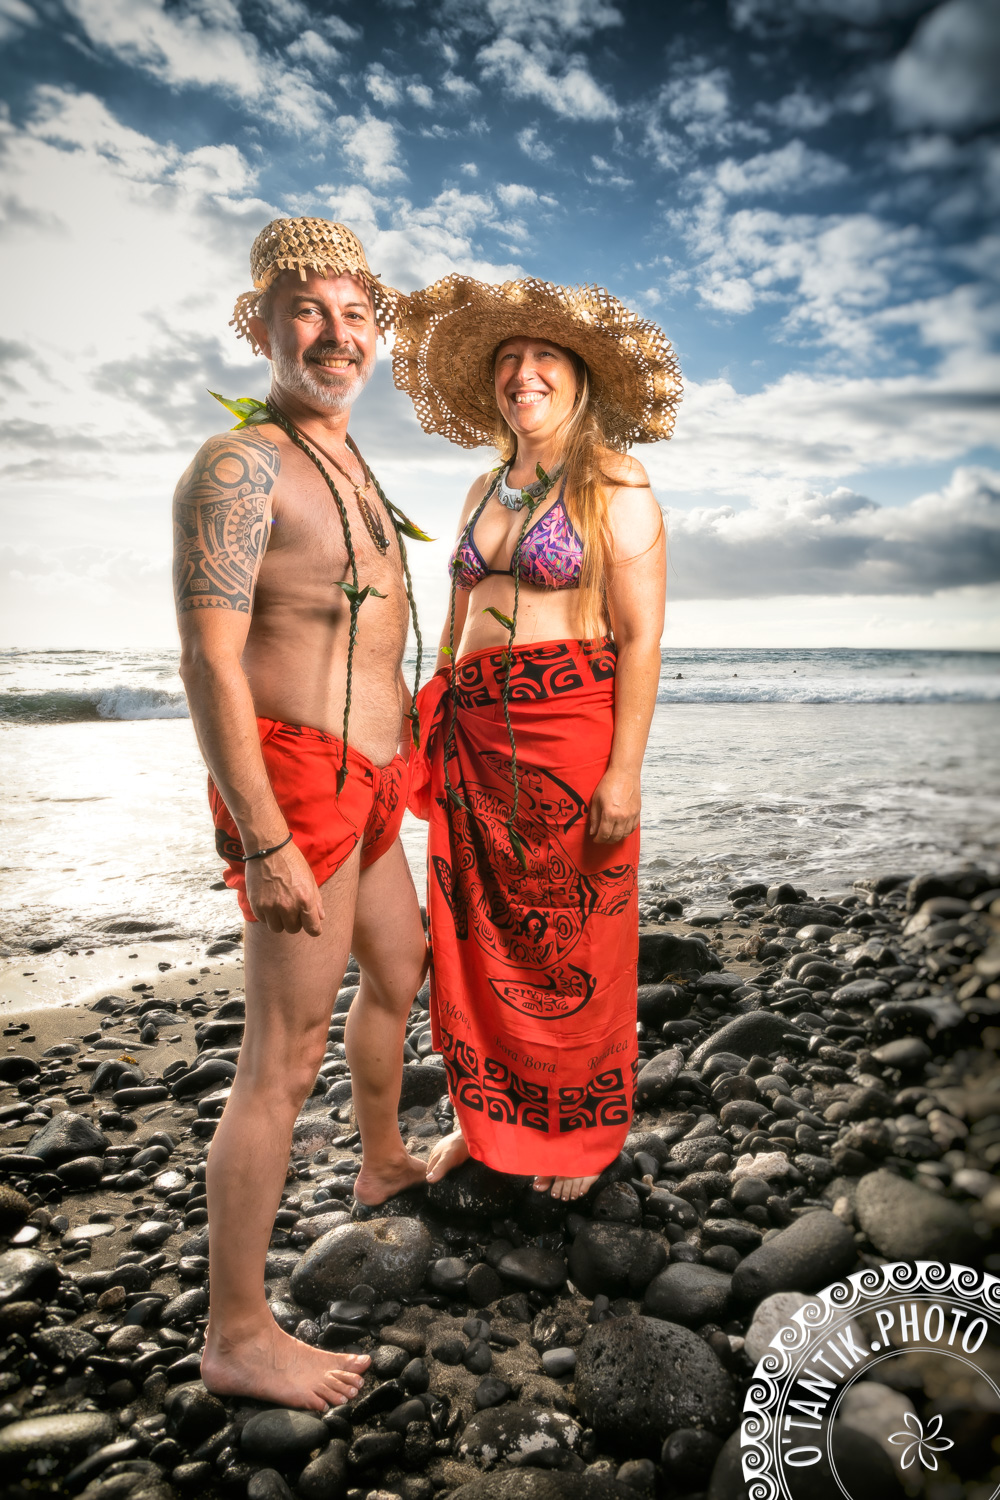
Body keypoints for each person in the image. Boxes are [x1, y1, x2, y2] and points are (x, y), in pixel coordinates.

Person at [172, 218, 430, 1412]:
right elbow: (210, 661)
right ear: (260, 326)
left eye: (355, 314)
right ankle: (236, 1331)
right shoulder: (241, 466)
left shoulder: (354, 465)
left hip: (372, 782)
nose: (335, 334)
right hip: (296, 783)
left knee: (402, 965)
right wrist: (266, 835)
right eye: (307, 311)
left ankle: (381, 1163)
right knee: (279, 1059)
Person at [393, 275, 681, 1202]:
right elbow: (457, 610)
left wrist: (625, 772)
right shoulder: (482, 486)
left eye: (544, 356)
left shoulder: (616, 482)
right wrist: (432, 702)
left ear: (579, 377)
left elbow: (641, 638)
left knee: (574, 939)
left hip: (570, 736)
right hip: (472, 738)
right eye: (509, 359)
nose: (525, 373)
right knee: (475, 939)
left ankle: (581, 1134)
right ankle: (488, 1124)